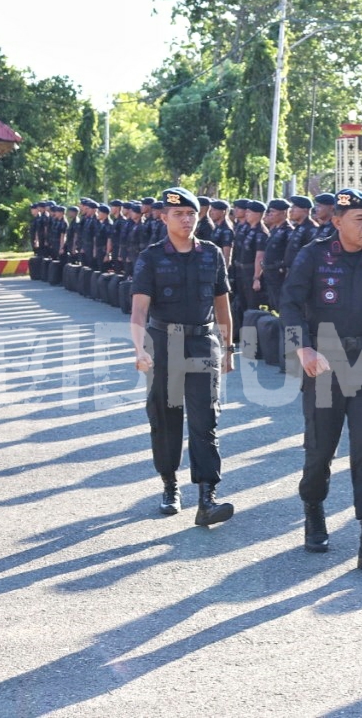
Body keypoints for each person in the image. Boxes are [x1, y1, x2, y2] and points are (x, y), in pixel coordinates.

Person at [280, 188, 362, 576]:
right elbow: (288, 304)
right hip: (324, 361)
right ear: (336, 221)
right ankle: (314, 510)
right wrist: (301, 349)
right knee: (320, 450)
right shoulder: (314, 256)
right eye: (359, 219)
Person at [130, 187, 235, 526]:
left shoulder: (212, 254)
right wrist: (138, 348)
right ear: (164, 217)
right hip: (163, 343)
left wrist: (229, 348)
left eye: (191, 213)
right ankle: (169, 484)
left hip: (203, 343)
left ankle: (207, 496)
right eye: (179, 214)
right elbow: (138, 311)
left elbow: (222, 305)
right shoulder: (151, 256)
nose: (186, 219)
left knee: (205, 420)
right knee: (165, 418)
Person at [259, 198, 294, 311]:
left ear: (283, 213)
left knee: (280, 305)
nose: (270, 214)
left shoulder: (288, 231)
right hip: (269, 273)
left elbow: (289, 255)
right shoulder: (275, 230)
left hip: (279, 274)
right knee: (272, 304)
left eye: (273, 211)